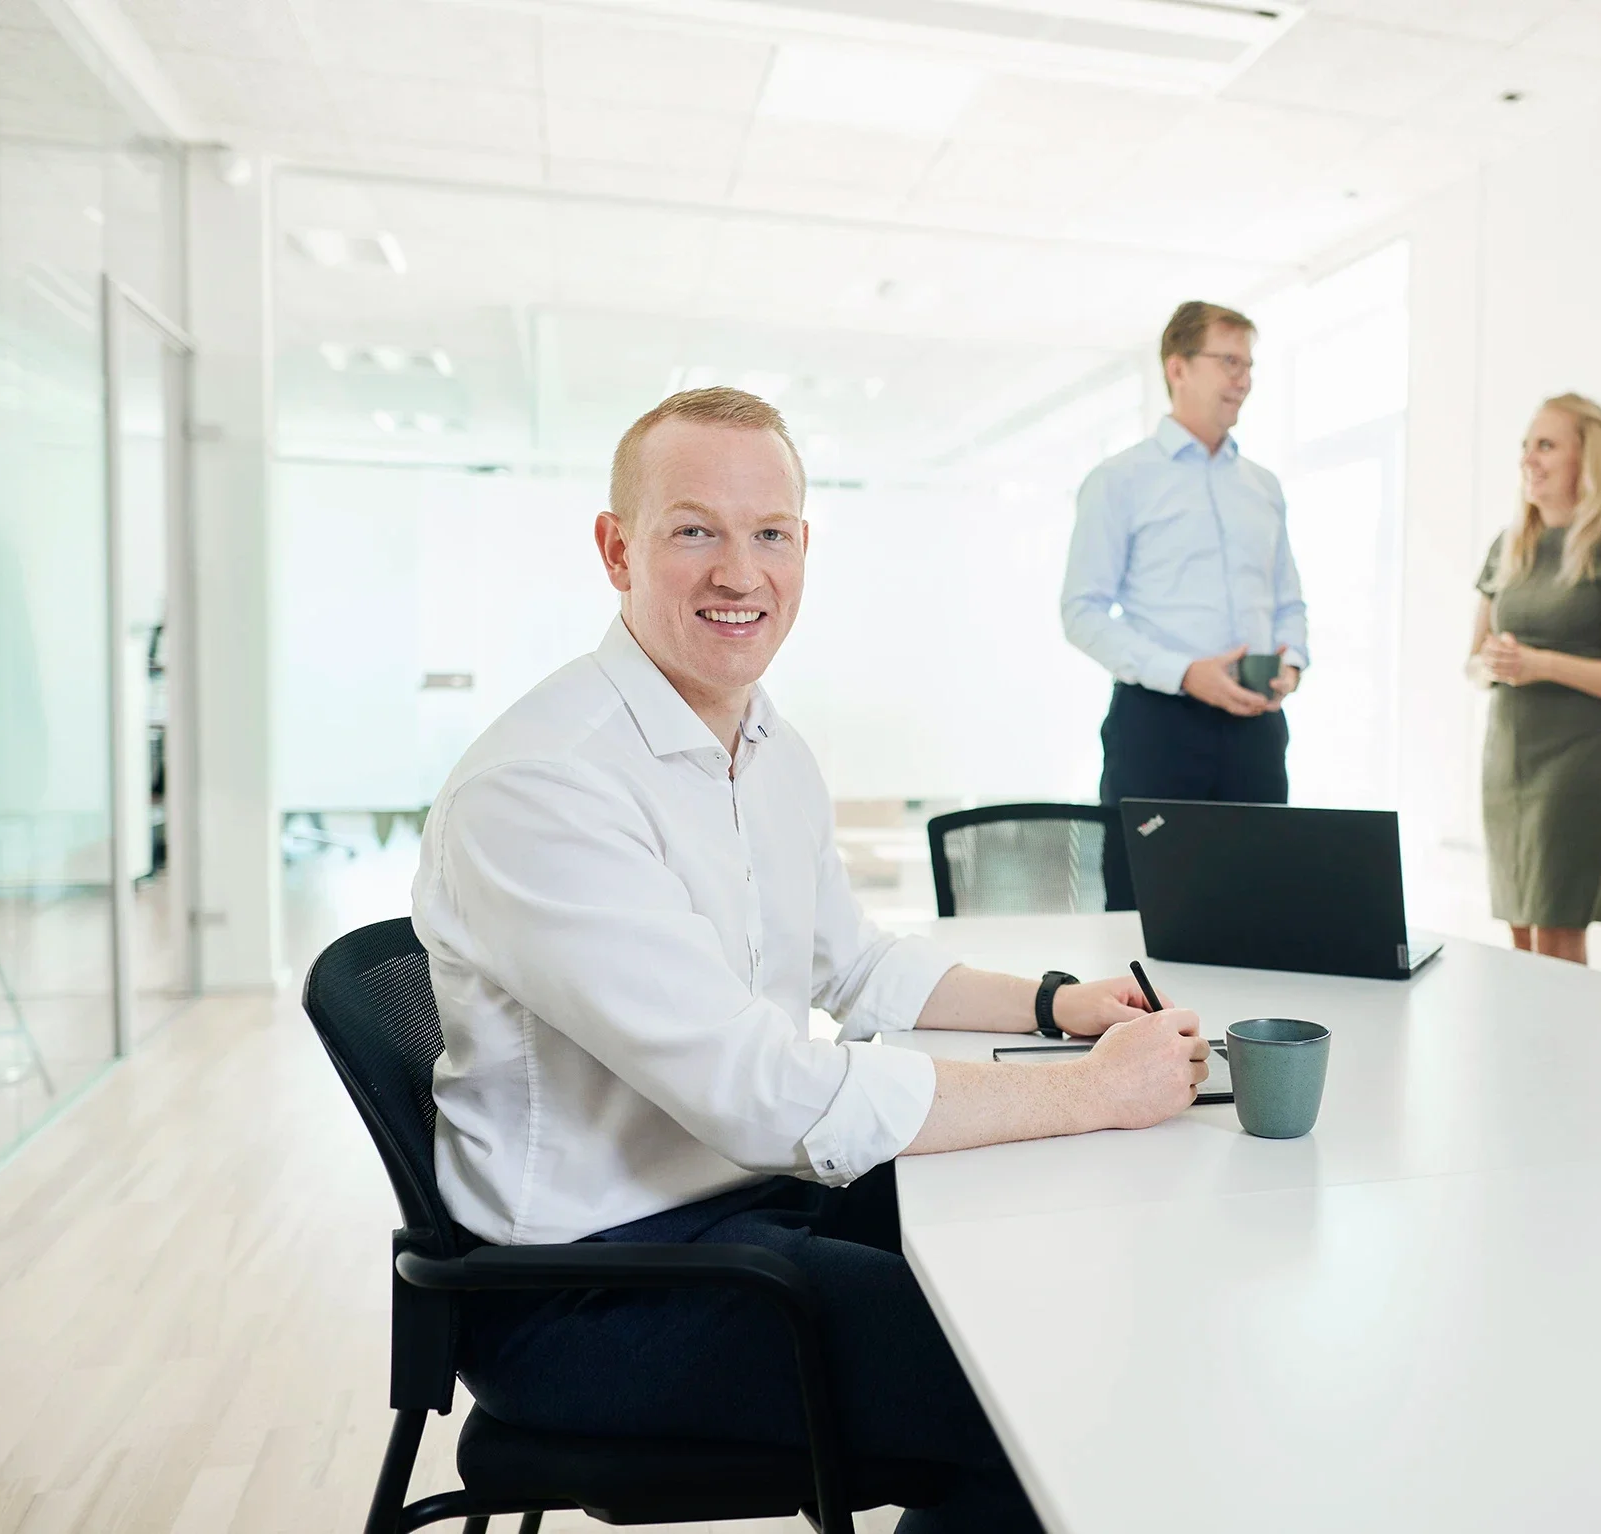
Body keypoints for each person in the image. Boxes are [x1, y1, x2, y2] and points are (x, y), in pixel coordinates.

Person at [411, 387, 1212, 1534]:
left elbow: (857, 970)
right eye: (694, 529)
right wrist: (1091, 1089)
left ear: (802, 548)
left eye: (769, 533)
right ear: (614, 548)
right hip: (589, 1290)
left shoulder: (762, 741)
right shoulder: (545, 784)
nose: (739, 572)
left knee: (1057, 1265)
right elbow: (761, 1093)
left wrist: (1057, 1003)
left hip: (743, 1217)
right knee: (1047, 1382)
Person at [1061, 300, 1308, 909]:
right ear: (1178, 367)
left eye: (1248, 365)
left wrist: (1293, 661)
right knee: (1148, 908)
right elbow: (1082, 611)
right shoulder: (1119, 480)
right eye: (1228, 361)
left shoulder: (1263, 487)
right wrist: (1185, 674)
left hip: (1257, 727)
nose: (1243, 379)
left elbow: (1289, 602)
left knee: (1258, 905)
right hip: (1159, 726)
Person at [1467, 393, 1601, 966]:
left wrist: (1541, 664)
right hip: (1507, 761)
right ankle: (1525, 1055)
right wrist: (1495, 664)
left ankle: (1567, 1056)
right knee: (1519, 934)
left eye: (1546, 445)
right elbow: (1473, 662)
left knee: (1556, 937)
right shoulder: (1507, 546)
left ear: (1589, 458)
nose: (1529, 458)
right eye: (1526, 446)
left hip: (1575, 764)